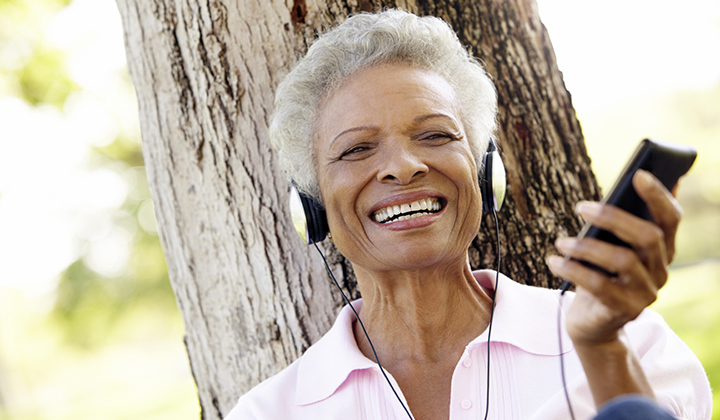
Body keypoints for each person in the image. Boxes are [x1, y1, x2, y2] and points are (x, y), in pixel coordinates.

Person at [225, 9, 712, 420]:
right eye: (356, 149)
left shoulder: (637, 346)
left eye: (435, 135)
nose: (402, 167)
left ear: (485, 175)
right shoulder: (270, 411)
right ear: (312, 207)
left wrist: (602, 348)